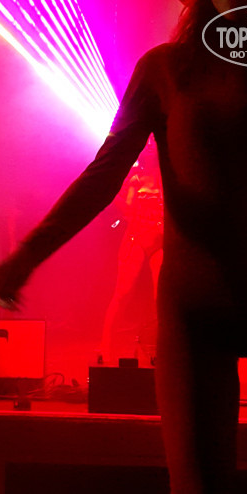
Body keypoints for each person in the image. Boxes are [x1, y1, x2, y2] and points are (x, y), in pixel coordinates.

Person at [0, 0, 247, 493]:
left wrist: (27, 256)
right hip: (205, 313)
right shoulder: (167, 71)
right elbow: (104, 177)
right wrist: (27, 255)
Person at [101, 138, 164, 363]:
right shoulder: (135, 177)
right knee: (123, 293)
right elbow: (126, 208)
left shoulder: (167, 176)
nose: (150, 146)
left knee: (161, 296)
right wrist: (115, 193)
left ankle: (163, 350)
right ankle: (106, 349)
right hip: (136, 237)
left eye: (154, 143)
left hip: (160, 240)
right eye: (147, 143)